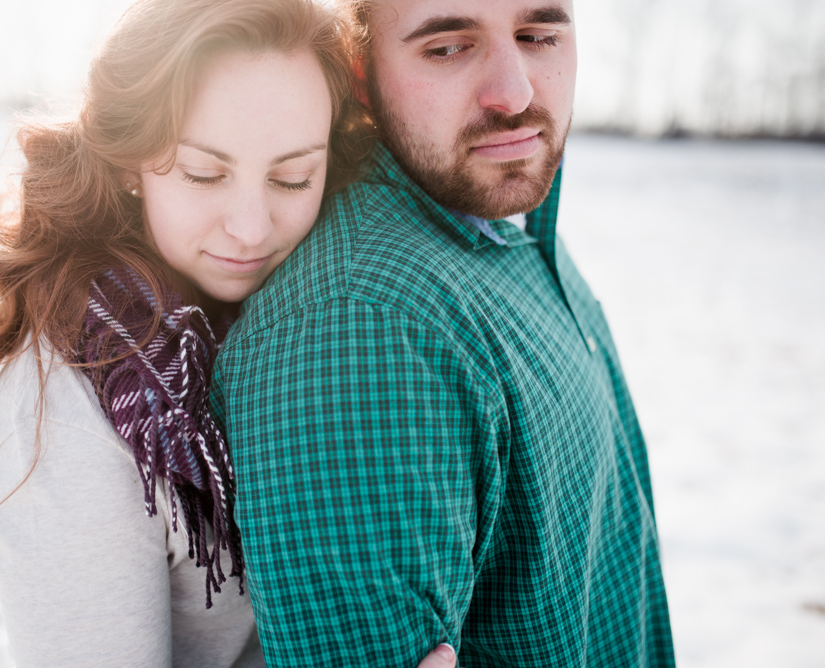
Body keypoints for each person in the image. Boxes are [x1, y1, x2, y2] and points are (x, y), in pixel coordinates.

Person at [0, 0, 457, 666]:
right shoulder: (65, 428)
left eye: (293, 177)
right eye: (205, 174)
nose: (253, 228)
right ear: (126, 164)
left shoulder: (305, 318)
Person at [210, 0, 677, 666]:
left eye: (540, 35)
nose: (514, 94)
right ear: (359, 72)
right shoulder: (362, 329)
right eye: (447, 48)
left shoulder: (499, 208)